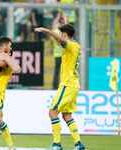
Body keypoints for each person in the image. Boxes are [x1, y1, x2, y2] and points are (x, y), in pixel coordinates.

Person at [34, 18, 85, 150]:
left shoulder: (70, 45)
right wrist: (66, 21)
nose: (59, 37)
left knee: (52, 112)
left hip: (67, 84)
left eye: (61, 33)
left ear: (64, 34)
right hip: (74, 84)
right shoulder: (76, 45)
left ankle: (56, 144)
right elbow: (62, 39)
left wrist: (47, 30)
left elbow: (62, 40)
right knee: (67, 115)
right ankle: (78, 144)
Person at [51, 13, 67, 89]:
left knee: (65, 71)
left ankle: (64, 86)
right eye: (62, 23)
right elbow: (58, 42)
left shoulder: (66, 32)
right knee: (57, 71)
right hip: (58, 54)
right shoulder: (55, 31)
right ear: (60, 23)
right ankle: (54, 86)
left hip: (65, 55)